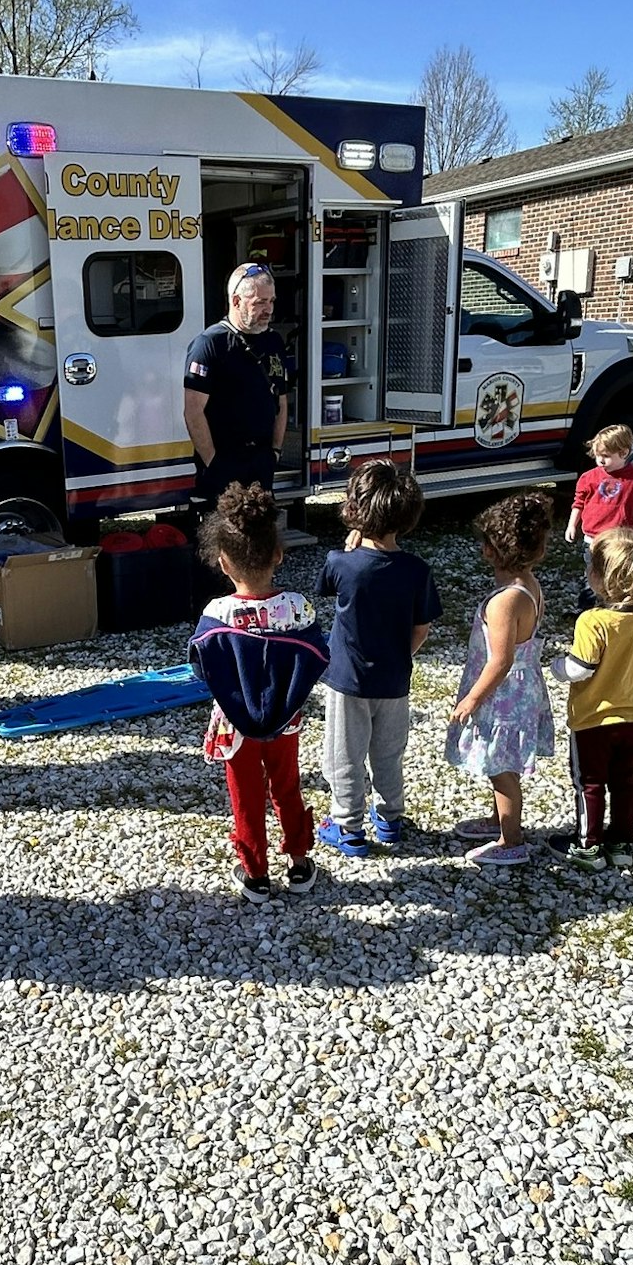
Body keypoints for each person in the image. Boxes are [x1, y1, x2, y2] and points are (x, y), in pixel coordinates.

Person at [189, 482, 326, 903]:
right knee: (287, 786)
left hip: (234, 725)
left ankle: (255, 873)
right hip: (286, 719)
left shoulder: (217, 613)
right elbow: (318, 655)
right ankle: (300, 862)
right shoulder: (298, 607)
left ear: (223, 562)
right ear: (279, 555)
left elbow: (201, 666)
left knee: (246, 796)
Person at [316, 461, 441, 856]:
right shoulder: (417, 570)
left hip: (347, 679)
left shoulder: (341, 562)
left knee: (344, 754)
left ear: (354, 508)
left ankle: (348, 825)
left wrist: (353, 542)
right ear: (407, 515)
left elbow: (329, 588)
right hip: (395, 679)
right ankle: (389, 818)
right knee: (389, 752)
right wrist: (399, 656)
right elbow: (421, 628)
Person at [547, 525, 633, 871]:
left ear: (603, 579)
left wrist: (556, 666)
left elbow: (580, 668)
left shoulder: (593, 621)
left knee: (589, 782)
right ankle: (621, 843)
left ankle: (588, 844)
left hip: (593, 720)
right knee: (626, 780)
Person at [445, 492, 555, 868]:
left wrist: (472, 699)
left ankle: (512, 839)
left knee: (501, 769)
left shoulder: (505, 601)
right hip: (520, 691)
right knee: (500, 763)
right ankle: (498, 821)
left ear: (494, 549)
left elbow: (501, 660)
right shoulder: (529, 585)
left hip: (502, 698)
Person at [183, 262, 290, 504]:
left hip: (261, 461)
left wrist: (275, 451)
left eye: (271, 301)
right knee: (224, 538)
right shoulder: (210, 344)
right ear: (236, 301)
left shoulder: (273, 341)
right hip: (224, 459)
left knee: (262, 536)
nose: (269, 309)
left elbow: (281, 401)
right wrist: (213, 463)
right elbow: (193, 411)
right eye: (260, 302)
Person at [563, 424, 633, 614]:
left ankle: (616, 603)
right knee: (593, 571)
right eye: (598, 455)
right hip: (593, 537)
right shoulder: (588, 477)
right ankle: (587, 607)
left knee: (619, 570)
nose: (600, 460)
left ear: (623, 453)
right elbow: (579, 502)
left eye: (606, 456)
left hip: (621, 539)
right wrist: (572, 525)